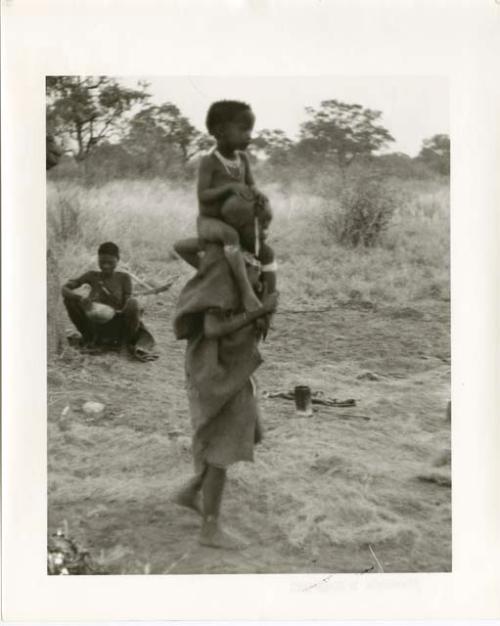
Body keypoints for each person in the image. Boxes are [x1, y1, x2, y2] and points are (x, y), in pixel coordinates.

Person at [172, 213, 278, 549]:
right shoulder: (220, 268)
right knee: (222, 445)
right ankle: (210, 528)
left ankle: (193, 489)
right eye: (252, 227)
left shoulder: (252, 262)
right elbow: (213, 328)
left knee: (253, 432)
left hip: (234, 367)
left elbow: (265, 283)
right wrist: (222, 241)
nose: (258, 234)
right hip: (214, 369)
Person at [195, 100, 277, 311]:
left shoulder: (243, 159)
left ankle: (269, 299)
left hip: (238, 220)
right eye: (243, 129)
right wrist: (229, 188)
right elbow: (203, 195)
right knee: (230, 236)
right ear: (220, 130)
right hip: (210, 221)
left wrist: (258, 195)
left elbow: (251, 185)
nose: (249, 135)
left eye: (250, 129)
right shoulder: (209, 161)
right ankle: (246, 293)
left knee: (266, 252)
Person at [61, 241, 157, 361]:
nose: (106, 266)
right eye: (102, 262)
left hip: (117, 323)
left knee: (134, 303)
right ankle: (88, 338)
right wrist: (80, 299)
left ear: (118, 260)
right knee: (70, 300)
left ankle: (124, 345)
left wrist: (116, 311)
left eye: (110, 262)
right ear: (98, 260)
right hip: (94, 323)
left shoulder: (124, 278)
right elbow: (64, 289)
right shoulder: (91, 276)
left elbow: (128, 302)